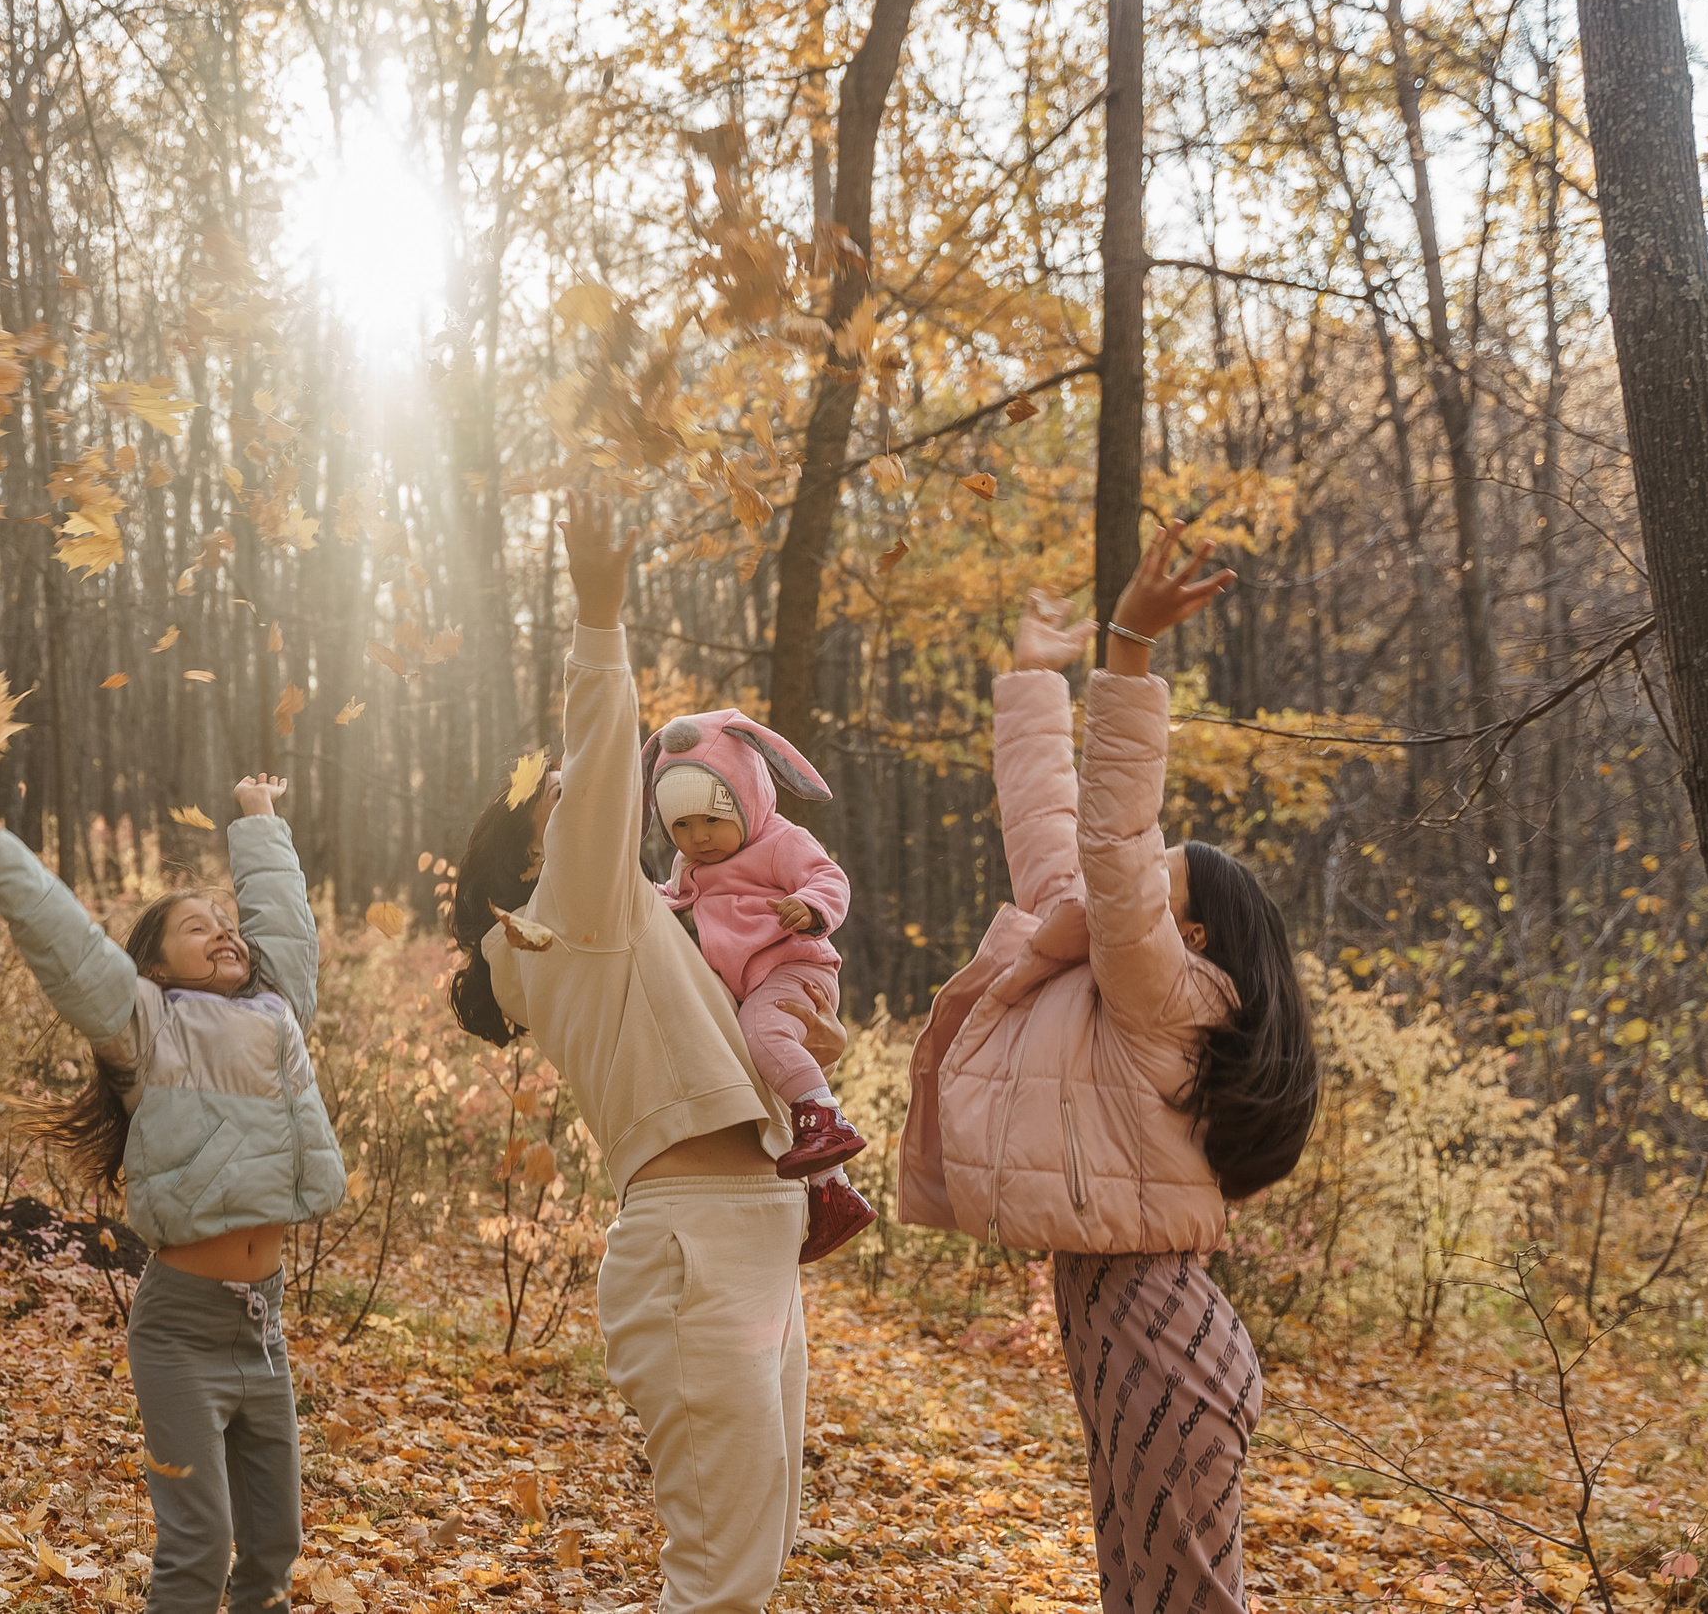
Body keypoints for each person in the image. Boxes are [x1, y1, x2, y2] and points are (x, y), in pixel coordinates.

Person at [900, 524, 1321, 1614]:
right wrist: (1032, 683)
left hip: (1159, 1330)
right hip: (1128, 1322)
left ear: (1195, 934)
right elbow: (1053, 830)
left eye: (1154, 883)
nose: (1121, 883)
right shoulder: (1102, 963)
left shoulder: (1171, 993)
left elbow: (1112, 839)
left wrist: (1128, 652)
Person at [447, 492, 824, 1614]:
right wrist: (600, 617)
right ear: (532, 859)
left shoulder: (636, 925)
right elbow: (607, 756)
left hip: (756, 1233)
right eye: (567, 807)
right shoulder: (562, 920)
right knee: (722, 1577)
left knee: (755, 1554)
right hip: (693, 1242)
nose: (610, 813)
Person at [0, 773, 345, 1614]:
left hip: (262, 1326)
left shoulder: (280, 1010)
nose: (224, 932)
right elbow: (70, 942)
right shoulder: (145, 1023)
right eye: (197, 927)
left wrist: (260, 817)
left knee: (274, 1547)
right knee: (200, 1547)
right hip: (182, 1333)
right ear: (154, 965)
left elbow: (285, 924)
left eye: (227, 924)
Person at [641, 708, 876, 1260]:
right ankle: (833, 1195)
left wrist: (810, 906)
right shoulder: (690, 864)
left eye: (712, 819)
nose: (699, 837)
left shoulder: (778, 840)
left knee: (761, 1032)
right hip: (758, 979)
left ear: (745, 799)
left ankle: (826, 1122)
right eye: (681, 826)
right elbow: (677, 898)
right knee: (766, 1050)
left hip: (794, 967)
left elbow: (828, 877)